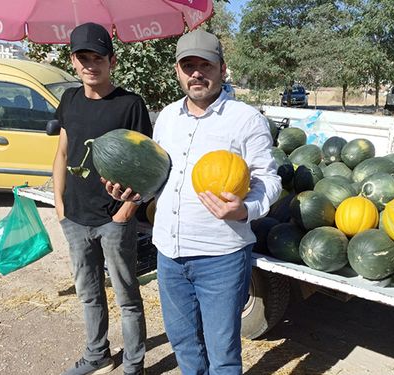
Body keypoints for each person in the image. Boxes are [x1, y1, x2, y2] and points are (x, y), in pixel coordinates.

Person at [106, 29, 282, 374]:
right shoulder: (167, 118)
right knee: (185, 345)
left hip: (221, 257)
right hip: (169, 254)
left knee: (223, 354)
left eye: (206, 65)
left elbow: (269, 180)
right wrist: (133, 193)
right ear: (178, 71)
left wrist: (246, 209)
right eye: (189, 66)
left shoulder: (246, 120)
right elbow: (158, 177)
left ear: (222, 69)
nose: (197, 73)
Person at [53, 22, 152, 375]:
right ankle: (97, 355)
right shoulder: (69, 100)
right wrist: (60, 203)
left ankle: (133, 365)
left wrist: (127, 210)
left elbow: (147, 166)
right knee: (89, 293)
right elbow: (63, 152)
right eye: (83, 58)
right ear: (73, 61)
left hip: (114, 219)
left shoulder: (130, 104)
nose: (90, 65)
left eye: (98, 58)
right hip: (75, 218)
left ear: (112, 60)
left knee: (127, 297)